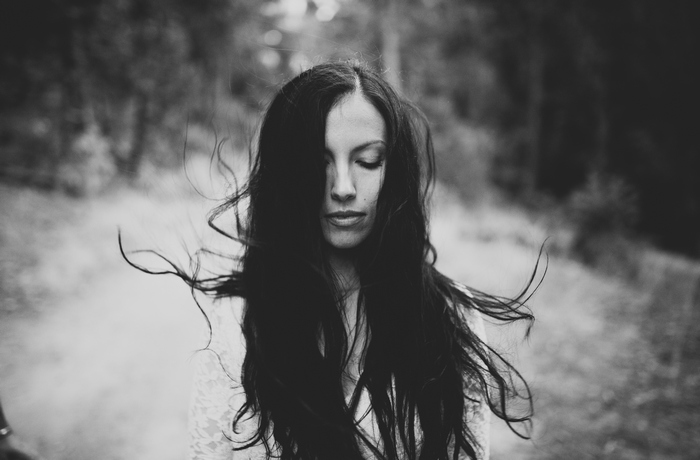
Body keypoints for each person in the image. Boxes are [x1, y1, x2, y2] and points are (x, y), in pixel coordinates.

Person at [131, 61, 536, 460]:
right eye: (319, 162)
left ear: (393, 171)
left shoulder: (450, 317)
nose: (343, 187)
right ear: (289, 173)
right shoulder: (240, 319)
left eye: (367, 161)